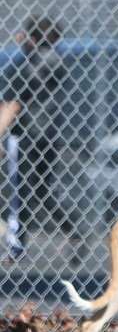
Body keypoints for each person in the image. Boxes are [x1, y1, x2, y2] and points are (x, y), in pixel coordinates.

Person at [0, 17, 76, 263]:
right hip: (49, 134)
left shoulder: (27, 64)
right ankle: (73, 230)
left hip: (23, 135)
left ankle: (16, 246)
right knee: (42, 189)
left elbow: (14, 103)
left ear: (32, 39)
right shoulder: (58, 60)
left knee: (18, 191)